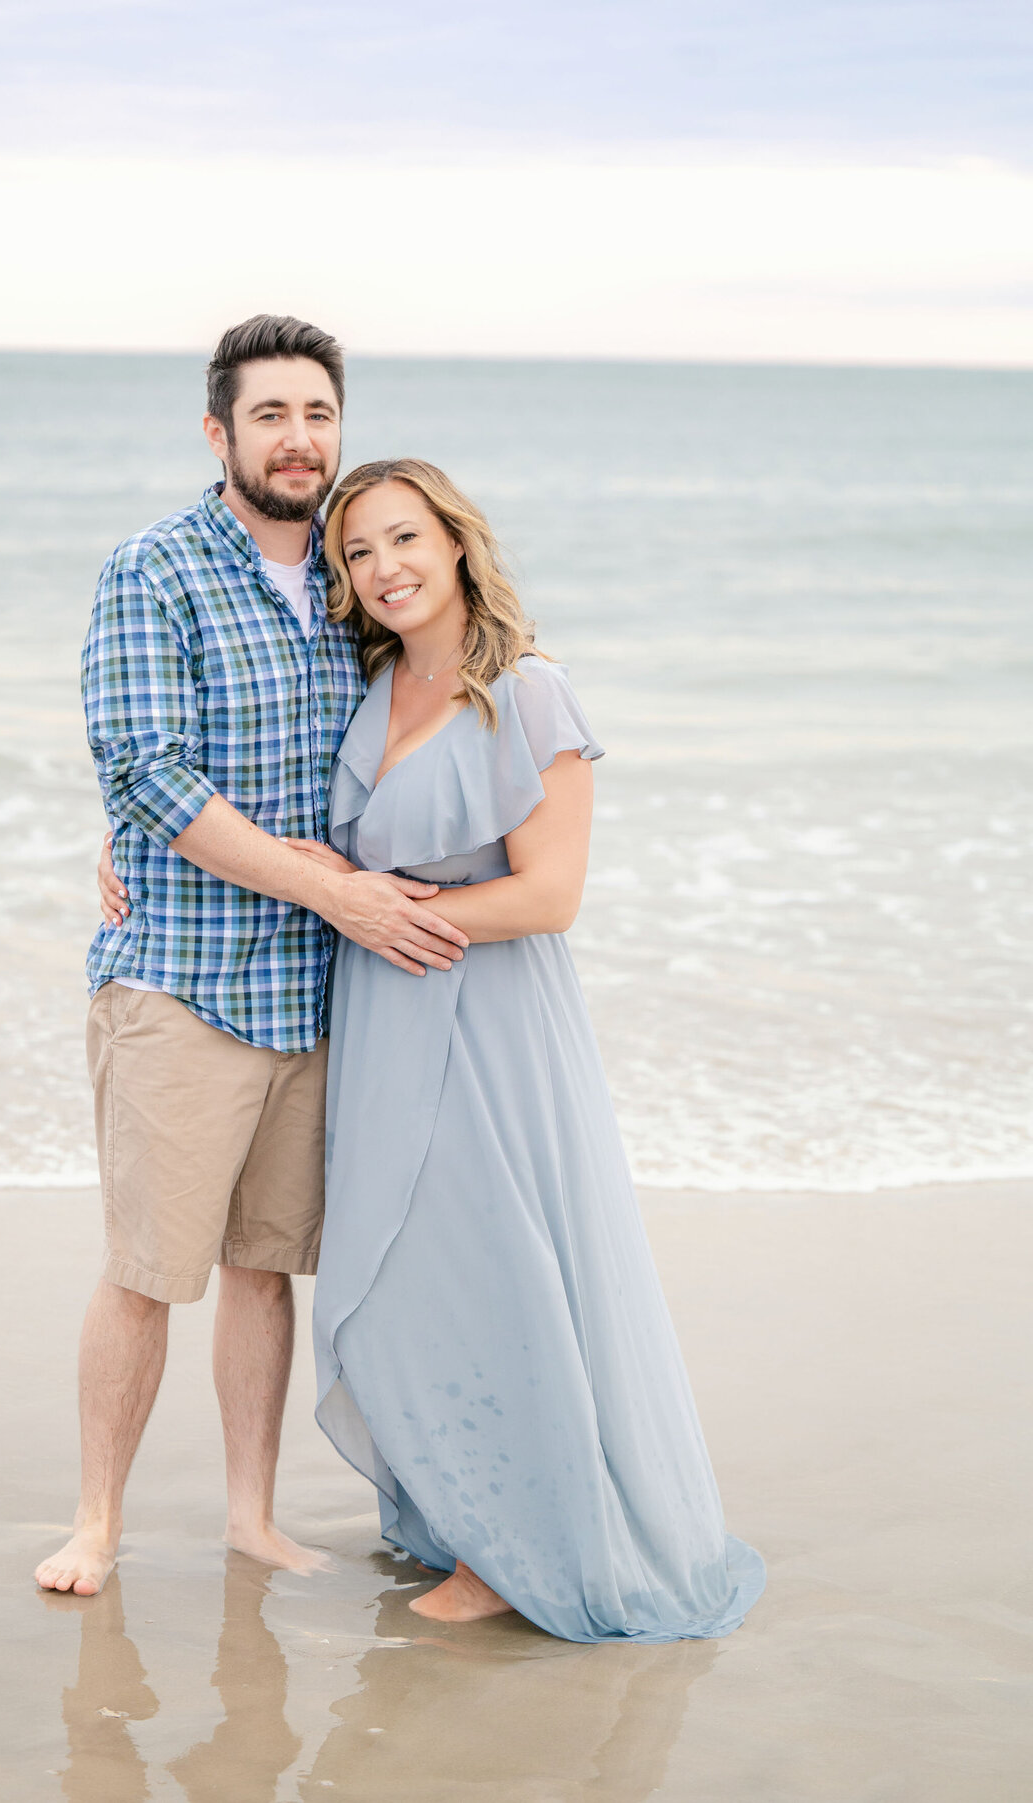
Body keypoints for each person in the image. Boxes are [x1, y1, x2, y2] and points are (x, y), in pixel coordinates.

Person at [283, 458, 767, 1641]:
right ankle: (460, 1510)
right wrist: (124, 847)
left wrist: (389, 908)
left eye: (404, 539)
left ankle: (519, 1548)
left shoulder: (528, 691)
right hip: (385, 1014)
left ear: (455, 543)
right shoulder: (370, 682)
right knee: (403, 1280)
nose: (384, 567)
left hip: (486, 1016)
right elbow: (294, 825)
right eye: (357, 553)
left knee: (498, 1269)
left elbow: (551, 895)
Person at [35, 319, 469, 1598]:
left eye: (319, 413)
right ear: (218, 432)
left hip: (320, 997)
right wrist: (330, 891)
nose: (300, 439)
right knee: (144, 1272)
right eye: (270, 414)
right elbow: (149, 769)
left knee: (264, 1269)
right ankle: (97, 1524)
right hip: (184, 979)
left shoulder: (358, 579)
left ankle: (249, 1514)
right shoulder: (154, 567)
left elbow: (430, 729)